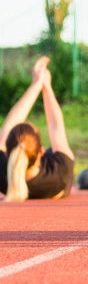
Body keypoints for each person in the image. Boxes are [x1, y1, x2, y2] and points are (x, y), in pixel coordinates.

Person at [0, 56, 75, 201]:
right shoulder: (60, 172)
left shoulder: (2, 175)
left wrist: (36, 84)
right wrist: (46, 86)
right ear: (41, 150)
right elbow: (55, 126)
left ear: (8, 154)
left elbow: (9, 126)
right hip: (51, 173)